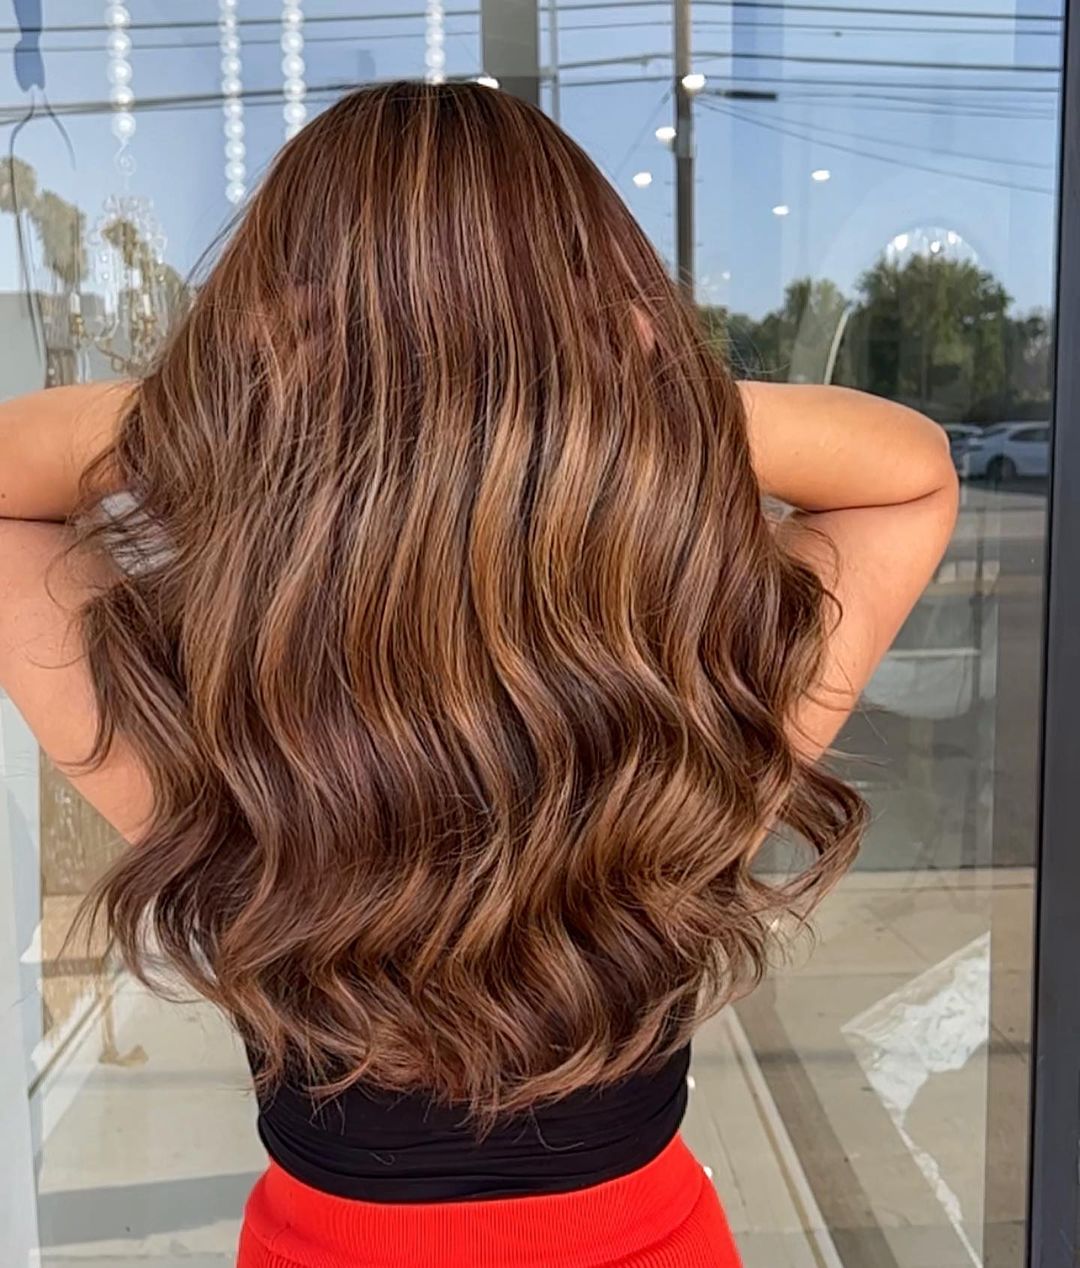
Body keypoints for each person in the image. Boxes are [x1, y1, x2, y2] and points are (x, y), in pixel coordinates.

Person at [0, 82, 957, 1268]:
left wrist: (252, 406)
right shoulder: (696, 711)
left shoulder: (211, 740)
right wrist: (594, 402)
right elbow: (908, 473)